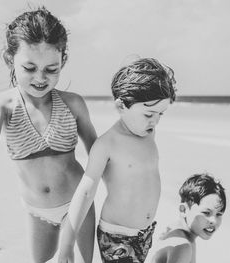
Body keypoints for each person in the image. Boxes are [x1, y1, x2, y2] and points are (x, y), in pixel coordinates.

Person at [0, 7, 97, 263]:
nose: (40, 78)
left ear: (63, 61)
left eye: (51, 69)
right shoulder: (2, 105)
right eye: (29, 67)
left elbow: (98, 152)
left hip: (77, 204)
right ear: (9, 58)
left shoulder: (73, 103)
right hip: (37, 211)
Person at [55, 57, 177, 263]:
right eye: (149, 113)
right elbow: (85, 192)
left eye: (161, 114)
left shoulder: (148, 133)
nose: (155, 121)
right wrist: (67, 243)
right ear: (121, 106)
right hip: (118, 237)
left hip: (144, 233)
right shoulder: (107, 145)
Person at [150, 173, 226, 263]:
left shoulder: (175, 231)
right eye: (206, 213)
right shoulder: (182, 246)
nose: (213, 221)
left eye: (219, 214)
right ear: (183, 210)